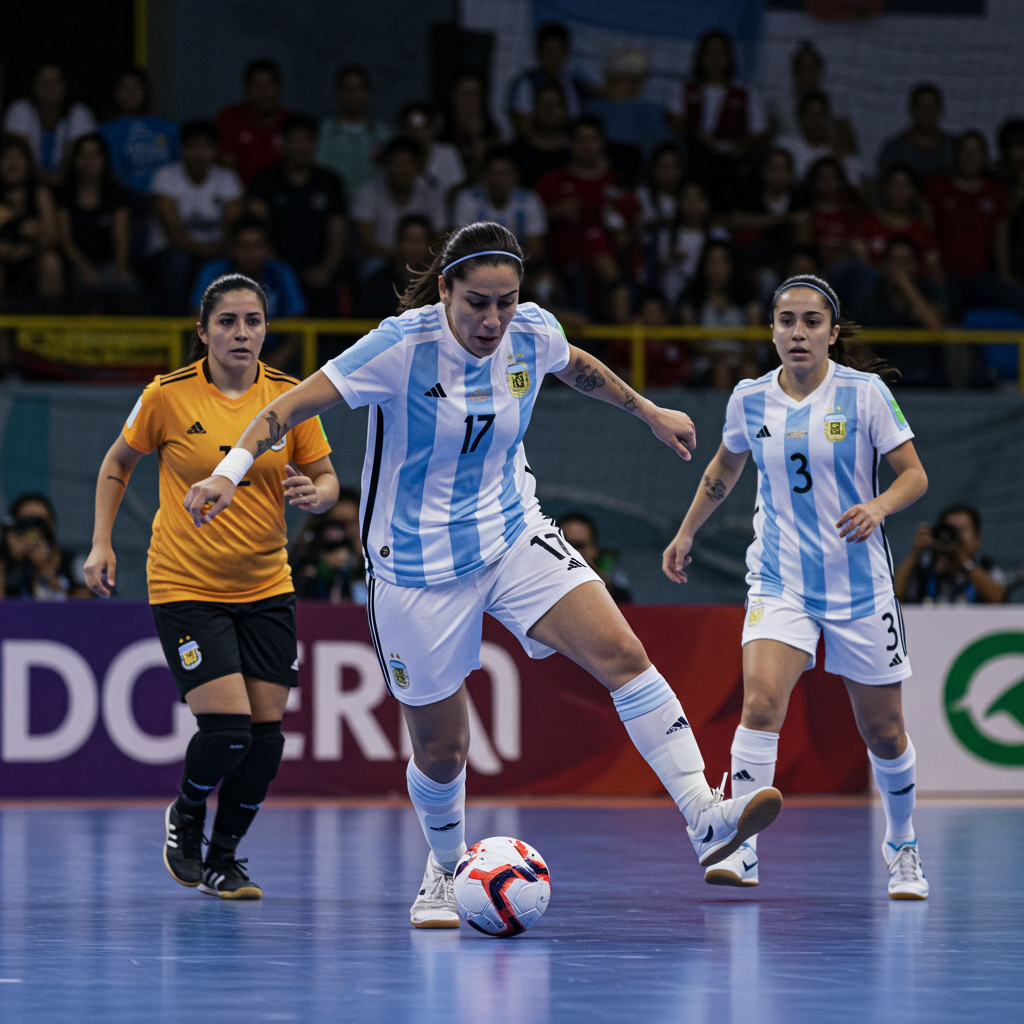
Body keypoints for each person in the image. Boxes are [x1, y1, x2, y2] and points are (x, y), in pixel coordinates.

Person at [182, 221, 783, 928]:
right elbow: (282, 409)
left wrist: (647, 411)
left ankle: (704, 818)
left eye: (506, 300)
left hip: (509, 533)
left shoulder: (529, 331)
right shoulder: (400, 346)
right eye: (477, 303)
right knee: (442, 749)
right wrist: (228, 472)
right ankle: (442, 870)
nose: (493, 320)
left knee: (623, 654)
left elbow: (576, 364)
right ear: (444, 290)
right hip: (413, 570)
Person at [663, 273, 931, 900]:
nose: (798, 333)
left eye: (812, 322)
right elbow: (724, 467)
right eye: (787, 321)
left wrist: (879, 506)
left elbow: (914, 475)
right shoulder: (749, 399)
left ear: (832, 333)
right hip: (780, 579)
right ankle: (743, 847)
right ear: (774, 331)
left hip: (859, 586)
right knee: (760, 704)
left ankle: (903, 844)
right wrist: (685, 534)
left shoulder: (864, 395)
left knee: (885, 732)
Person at [83, 273, 338, 899]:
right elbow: (117, 463)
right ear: (203, 332)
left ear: (266, 330)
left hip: (266, 584)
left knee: (266, 742)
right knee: (228, 730)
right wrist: (99, 542)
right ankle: (187, 814)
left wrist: (317, 494)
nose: (241, 333)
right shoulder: (166, 395)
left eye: (253, 321)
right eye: (227, 321)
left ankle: (225, 859)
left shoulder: (288, 398)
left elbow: (327, 477)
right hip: (185, 583)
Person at [534, 116, 640, 321]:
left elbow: (632, 225)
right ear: (571, 144)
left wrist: (623, 233)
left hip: (607, 271)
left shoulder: (617, 182)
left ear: (601, 143)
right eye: (581, 140)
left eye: (592, 140)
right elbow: (533, 222)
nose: (587, 146)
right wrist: (556, 211)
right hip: (560, 267)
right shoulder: (553, 181)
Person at [247, 114, 346, 315]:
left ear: (314, 143)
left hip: (318, 269)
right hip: (273, 267)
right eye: (295, 140)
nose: (301, 146)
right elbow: (257, 230)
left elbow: (338, 233)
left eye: (306, 140)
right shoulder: (265, 179)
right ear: (283, 144)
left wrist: (326, 268)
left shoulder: (329, 181)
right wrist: (278, 269)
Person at [924, 130, 1024, 321]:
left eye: (976, 152)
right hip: (946, 277)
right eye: (966, 151)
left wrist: (1005, 274)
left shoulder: (995, 193)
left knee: (1016, 298)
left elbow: (1000, 239)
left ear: (985, 157)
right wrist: (933, 269)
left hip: (982, 277)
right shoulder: (938, 188)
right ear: (956, 155)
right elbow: (927, 234)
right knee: (942, 312)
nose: (970, 157)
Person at [146, 121, 244, 312]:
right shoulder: (165, 177)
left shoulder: (227, 179)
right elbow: (175, 237)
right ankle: (176, 326)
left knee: (236, 258)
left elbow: (233, 227)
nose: (199, 153)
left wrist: (219, 248)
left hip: (217, 250)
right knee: (179, 261)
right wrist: (207, 250)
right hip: (171, 253)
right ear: (182, 148)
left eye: (206, 146)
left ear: (215, 150)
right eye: (192, 146)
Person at [665, 30, 767, 208]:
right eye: (710, 52)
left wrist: (740, 149)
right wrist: (697, 134)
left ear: (729, 57)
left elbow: (759, 131)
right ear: (700, 56)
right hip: (695, 157)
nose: (714, 58)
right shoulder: (686, 87)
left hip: (732, 160)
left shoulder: (745, 92)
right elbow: (673, 117)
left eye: (720, 53)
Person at [189, 216, 306, 372]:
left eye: (257, 245)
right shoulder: (213, 271)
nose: (251, 253)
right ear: (232, 247)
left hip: (273, 354)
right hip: (222, 354)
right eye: (244, 246)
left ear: (267, 247)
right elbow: (197, 317)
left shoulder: (281, 272)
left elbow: (297, 322)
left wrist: (272, 364)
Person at [55, 133, 136, 310]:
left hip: (109, 264)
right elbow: (65, 241)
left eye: (95, 155)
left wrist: (120, 267)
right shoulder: (64, 195)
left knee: (126, 283)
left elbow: (121, 238)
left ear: (104, 159)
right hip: (76, 265)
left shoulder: (116, 193)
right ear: (75, 160)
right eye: (84, 155)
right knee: (81, 283)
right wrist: (84, 268)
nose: (89, 161)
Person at [678, 239, 762, 390]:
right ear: (703, 266)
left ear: (732, 266)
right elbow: (694, 344)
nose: (718, 268)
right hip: (706, 362)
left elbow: (753, 343)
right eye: (712, 262)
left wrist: (739, 357)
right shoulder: (692, 299)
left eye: (723, 262)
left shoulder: (747, 300)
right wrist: (719, 355)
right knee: (721, 369)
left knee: (749, 370)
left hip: (741, 358)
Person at [352, 137, 445, 263]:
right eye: (397, 163)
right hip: (381, 258)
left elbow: (439, 237)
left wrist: (417, 257)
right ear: (386, 165)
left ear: (418, 167)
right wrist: (402, 257)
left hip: (423, 260)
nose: (402, 170)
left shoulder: (431, 193)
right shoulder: (368, 191)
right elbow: (366, 241)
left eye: (408, 164)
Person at [2, 63, 96, 187]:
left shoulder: (80, 113)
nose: (50, 88)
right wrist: (50, 182)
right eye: (44, 82)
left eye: (56, 82)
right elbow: (18, 155)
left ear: (65, 86)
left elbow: (78, 158)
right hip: (27, 184)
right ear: (34, 86)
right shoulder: (19, 110)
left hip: (72, 185)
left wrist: (60, 181)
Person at [895, 504, 1007, 605]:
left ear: (977, 539)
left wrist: (963, 560)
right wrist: (916, 552)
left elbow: (1000, 599)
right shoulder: (923, 569)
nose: (956, 535)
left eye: (962, 529)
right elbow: (892, 597)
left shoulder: (986, 567)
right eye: (950, 529)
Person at [0, 134, 62, 307]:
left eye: (18, 157)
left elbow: (53, 237)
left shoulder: (40, 193)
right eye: (6, 157)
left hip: (32, 261)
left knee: (52, 261)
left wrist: (25, 249)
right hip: (3, 261)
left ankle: (50, 327)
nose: (12, 163)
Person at [452, 147, 547, 259]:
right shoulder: (468, 198)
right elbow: (460, 245)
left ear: (517, 175)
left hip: (520, 267)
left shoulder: (529, 200)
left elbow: (534, 250)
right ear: (485, 175)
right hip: (478, 267)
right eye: (494, 173)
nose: (500, 180)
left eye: (506, 173)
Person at [315, 65, 392, 199]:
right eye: (347, 89)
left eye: (358, 89)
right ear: (337, 93)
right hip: (333, 204)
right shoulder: (322, 132)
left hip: (373, 208)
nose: (353, 94)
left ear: (367, 93)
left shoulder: (383, 134)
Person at [99, 69, 181, 195]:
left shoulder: (169, 128)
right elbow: (112, 174)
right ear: (116, 92)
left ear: (146, 91)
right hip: (125, 198)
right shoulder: (105, 131)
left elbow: (180, 166)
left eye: (135, 88)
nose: (130, 93)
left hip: (168, 196)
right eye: (125, 88)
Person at [507, 22, 587, 139]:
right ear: (538, 53)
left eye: (557, 52)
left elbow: (575, 123)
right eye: (548, 52)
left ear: (565, 54)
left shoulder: (573, 85)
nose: (553, 58)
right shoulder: (526, 83)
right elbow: (522, 126)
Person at [217, 60, 290, 185]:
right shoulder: (228, 118)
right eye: (257, 85)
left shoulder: (290, 122)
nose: (263, 92)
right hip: (238, 197)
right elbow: (226, 167)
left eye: (269, 85)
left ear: (279, 89)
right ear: (246, 89)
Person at [290, 487, 367, 603]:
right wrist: (321, 564)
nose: (345, 532)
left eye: (352, 523)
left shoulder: (371, 553)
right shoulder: (305, 548)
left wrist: (365, 558)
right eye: (338, 523)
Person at [776, 91, 864, 187]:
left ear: (828, 118)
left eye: (820, 114)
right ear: (800, 117)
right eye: (810, 114)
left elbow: (854, 185)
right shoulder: (783, 145)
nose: (815, 119)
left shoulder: (838, 151)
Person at [356, 214, 433, 320]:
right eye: (409, 240)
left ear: (430, 244)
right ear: (398, 242)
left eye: (420, 240)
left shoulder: (437, 285)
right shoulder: (379, 283)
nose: (415, 246)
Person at [878, 84, 956, 184]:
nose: (927, 113)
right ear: (912, 109)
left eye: (931, 107)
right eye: (922, 107)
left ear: (939, 110)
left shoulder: (953, 147)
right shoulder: (894, 149)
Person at [438, 74, 501, 185]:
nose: (470, 99)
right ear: (453, 96)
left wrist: (476, 138)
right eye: (464, 93)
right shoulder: (438, 135)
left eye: (475, 94)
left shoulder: (494, 136)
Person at [398, 103, 466, 204]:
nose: (417, 135)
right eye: (411, 129)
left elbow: (457, 190)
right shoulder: (395, 158)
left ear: (433, 129)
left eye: (423, 129)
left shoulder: (448, 153)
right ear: (402, 131)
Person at [556, 511, 631, 603]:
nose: (572, 553)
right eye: (566, 546)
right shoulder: (541, 589)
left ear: (594, 551)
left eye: (578, 546)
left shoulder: (614, 593)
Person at [507, 82, 571, 190]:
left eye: (555, 104)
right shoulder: (515, 152)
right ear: (534, 110)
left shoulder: (576, 151)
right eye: (544, 105)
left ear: (565, 110)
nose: (550, 110)